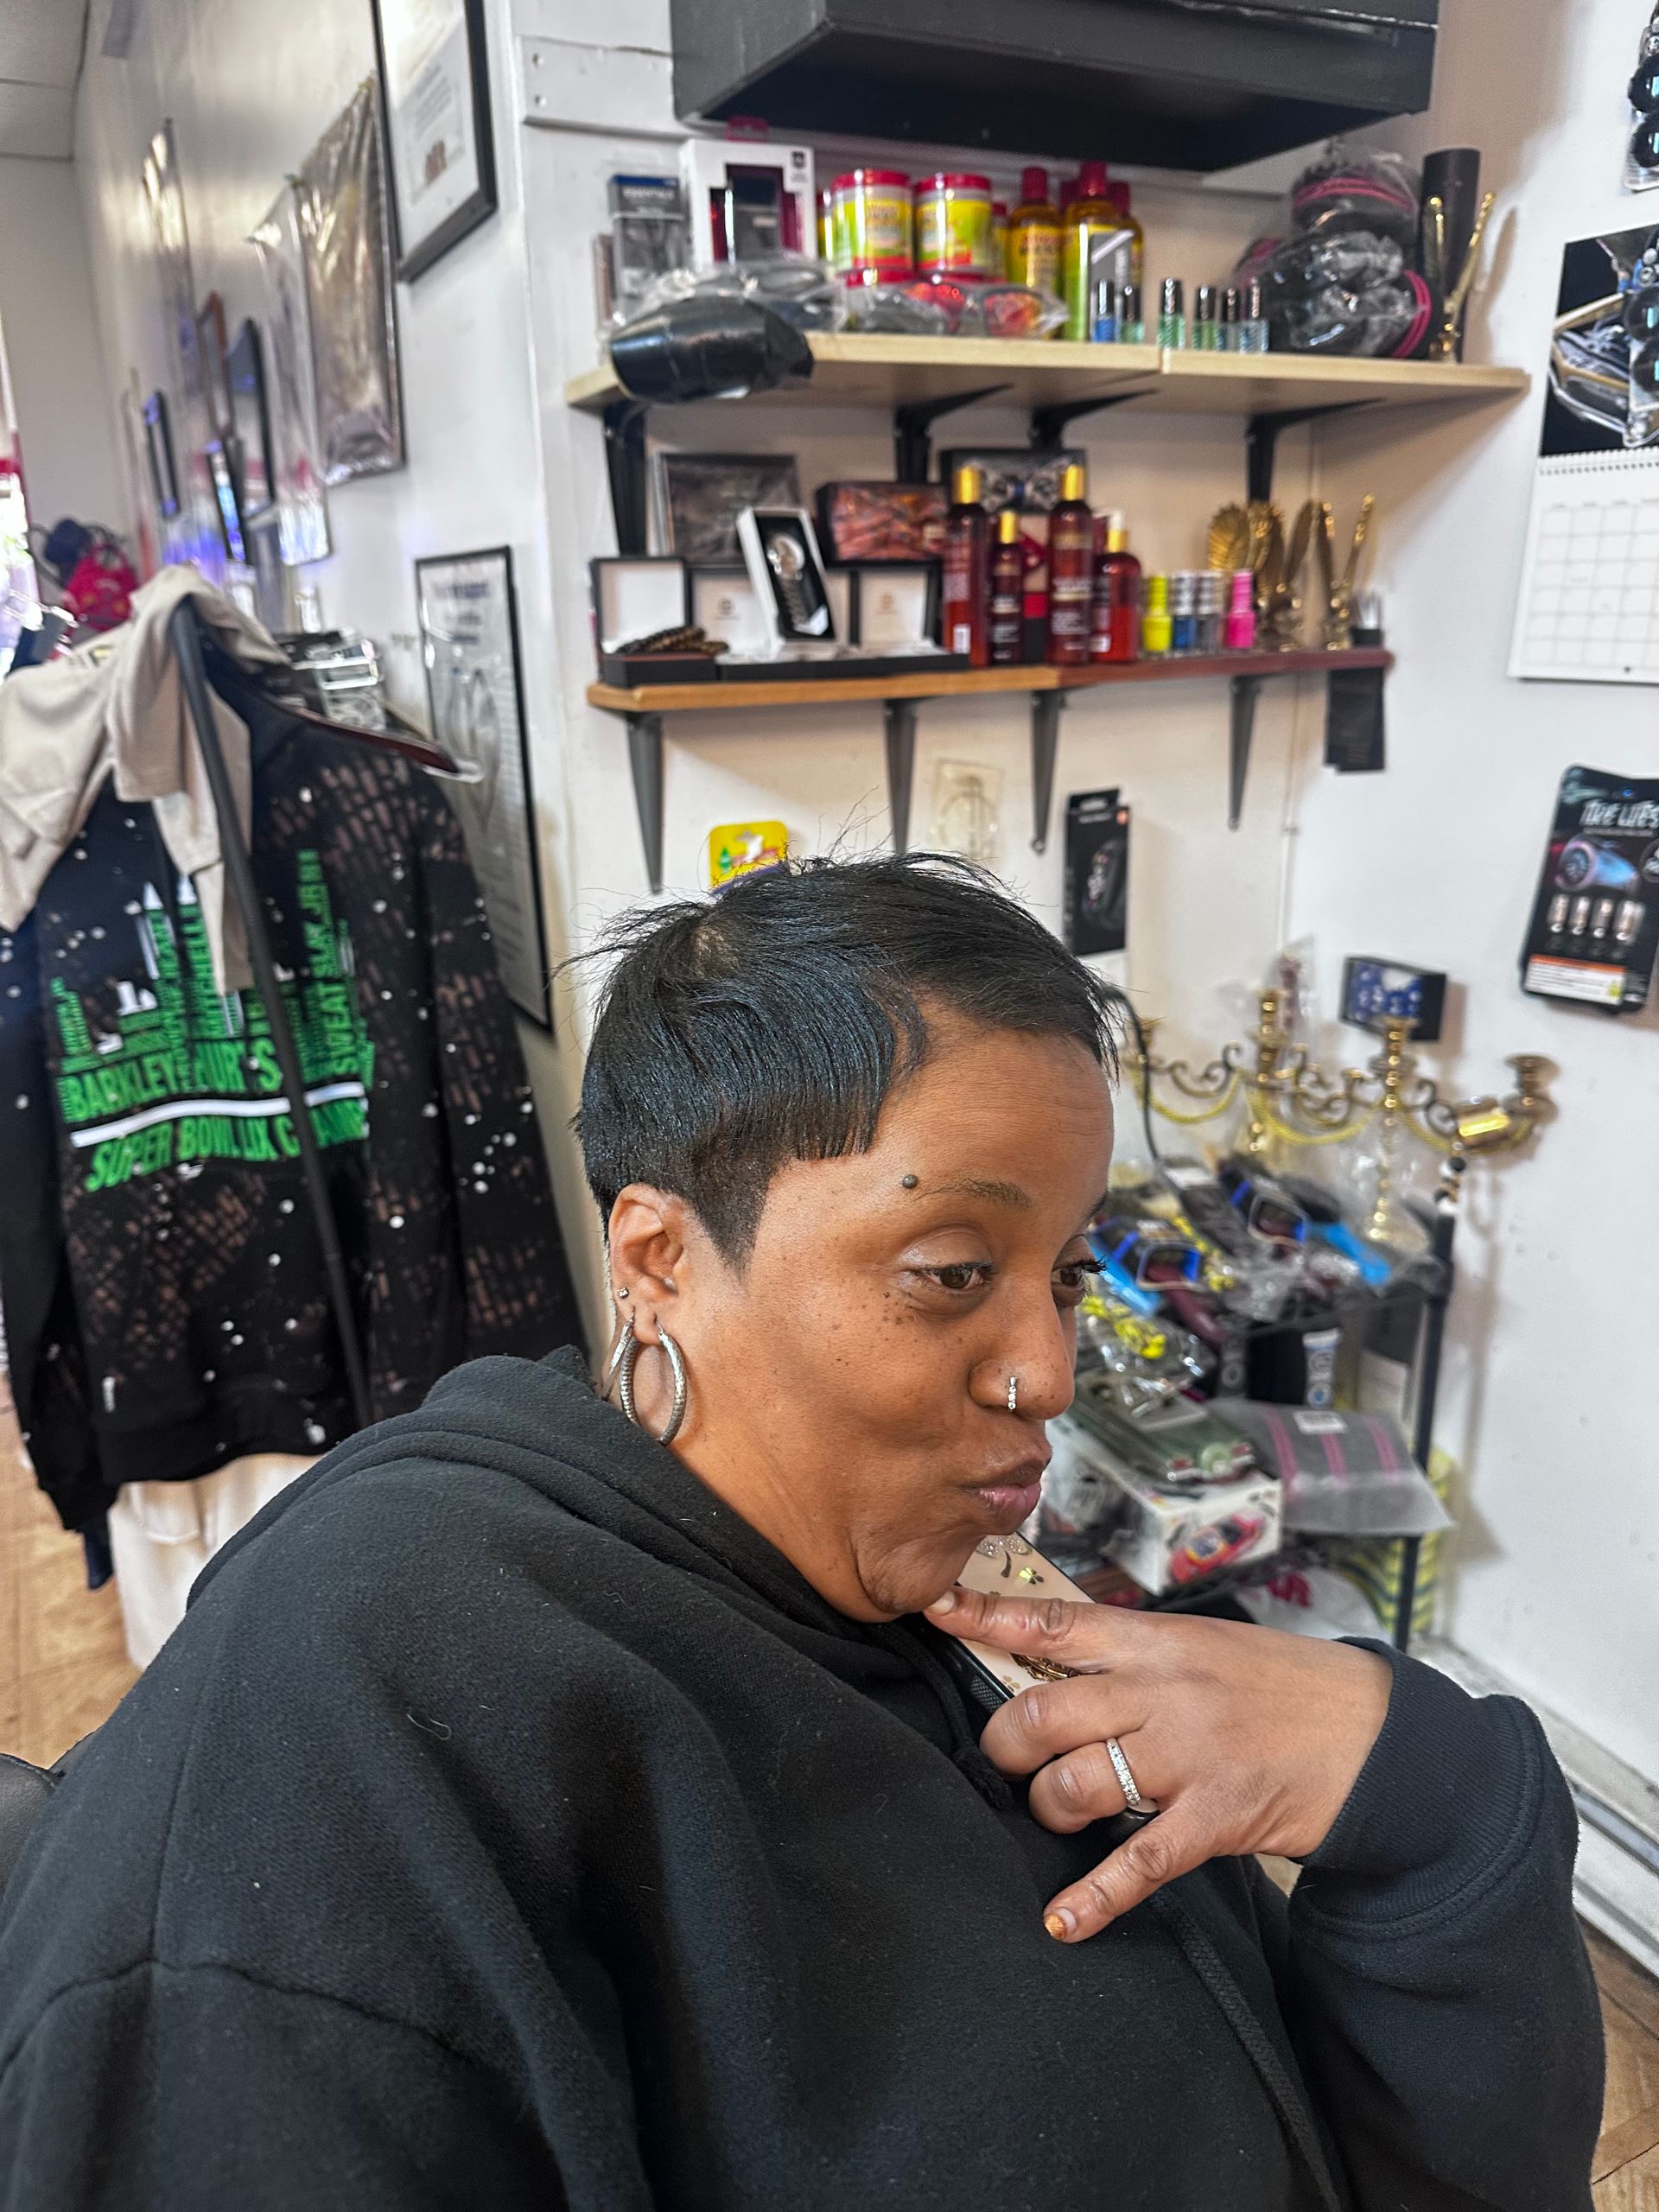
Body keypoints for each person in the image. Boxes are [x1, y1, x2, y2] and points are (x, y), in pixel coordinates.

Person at [0, 857, 1601, 2209]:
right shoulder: (367, 1697)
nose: (1050, 1368)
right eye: (950, 1270)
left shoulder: (944, 1587)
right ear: (661, 1259)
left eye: (1064, 1272)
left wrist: (1424, 1797)